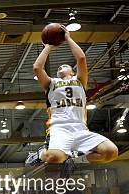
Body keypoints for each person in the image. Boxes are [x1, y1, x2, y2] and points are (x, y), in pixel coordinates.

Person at [29, 25, 118, 175]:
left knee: (110, 152)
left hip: (80, 129)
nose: (60, 68)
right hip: (59, 129)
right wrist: (48, 46)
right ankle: (38, 154)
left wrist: (68, 38)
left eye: (65, 66)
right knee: (54, 157)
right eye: (58, 67)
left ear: (72, 71)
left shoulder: (80, 81)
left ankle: (75, 161)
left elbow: (81, 58)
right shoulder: (51, 83)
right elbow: (37, 67)